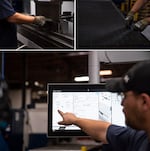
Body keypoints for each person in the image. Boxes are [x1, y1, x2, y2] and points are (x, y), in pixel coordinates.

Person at [58, 61, 150, 151]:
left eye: (124, 96)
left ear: (144, 102)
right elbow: (104, 130)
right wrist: (74, 120)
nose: (122, 103)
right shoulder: (141, 137)